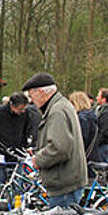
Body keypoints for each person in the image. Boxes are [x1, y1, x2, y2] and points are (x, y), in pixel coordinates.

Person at [23, 72, 87, 207]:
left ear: (40, 92)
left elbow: (59, 148)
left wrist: (37, 160)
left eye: (31, 95)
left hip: (64, 185)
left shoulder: (57, 111)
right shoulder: (60, 106)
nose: (31, 100)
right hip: (67, 182)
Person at [69, 91, 99, 163]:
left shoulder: (82, 118)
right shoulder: (91, 116)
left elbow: (82, 140)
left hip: (84, 157)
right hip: (92, 155)